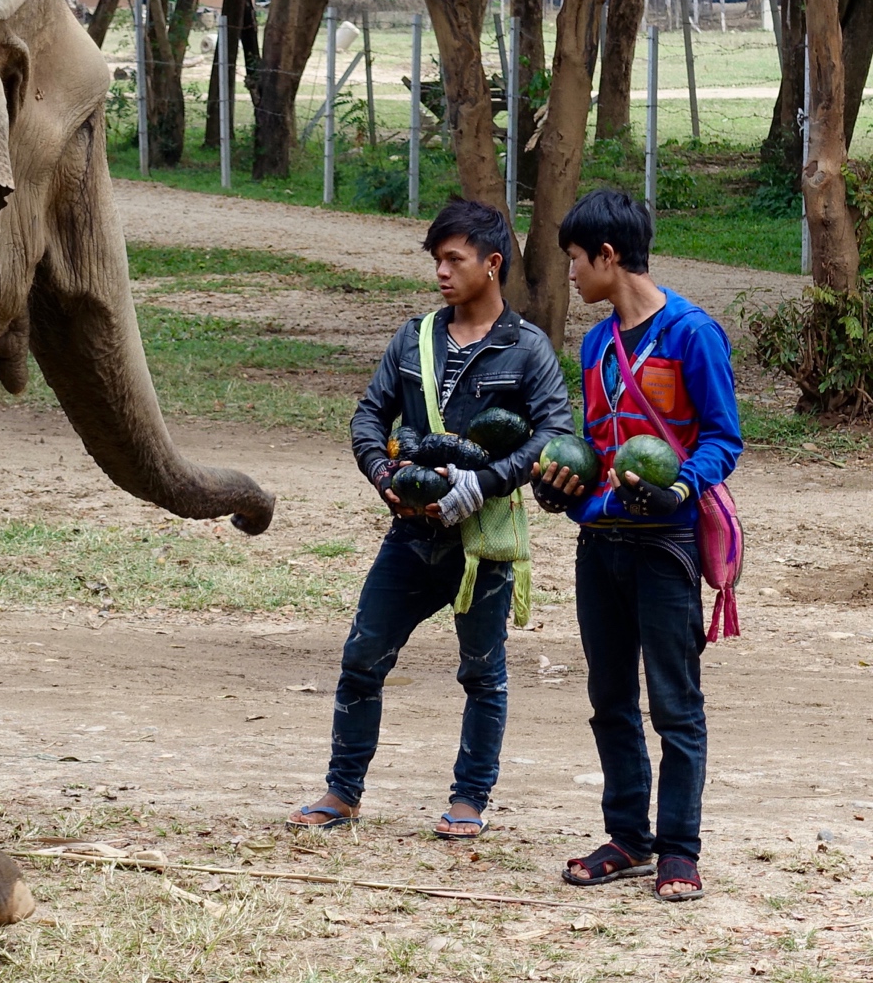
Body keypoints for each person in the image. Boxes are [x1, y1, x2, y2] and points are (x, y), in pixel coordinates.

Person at [288, 199, 573, 839]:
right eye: (436, 260)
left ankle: (470, 800)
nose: (442, 272)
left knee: (482, 672)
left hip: (484, 543)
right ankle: (343, 792)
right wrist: (385, 476)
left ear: (492, 264)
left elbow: (555, 433)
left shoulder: (527, 350)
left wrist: (482, 484)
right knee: (363, 655)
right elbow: (369, 417)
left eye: (454, 259)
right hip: (411, 536)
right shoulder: (413, 339)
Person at [531, 188, 741, 901]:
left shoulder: (692, 333)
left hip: (666, 547)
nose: (571, 276)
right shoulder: (596, 343)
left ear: (609, 257)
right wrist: (569, 494)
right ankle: (628, 836)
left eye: (575, 262)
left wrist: (681, 488)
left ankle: (679, 848)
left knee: (674, 704)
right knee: (609, 696)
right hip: (603, 545)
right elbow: (595, 445)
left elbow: (722, 437)